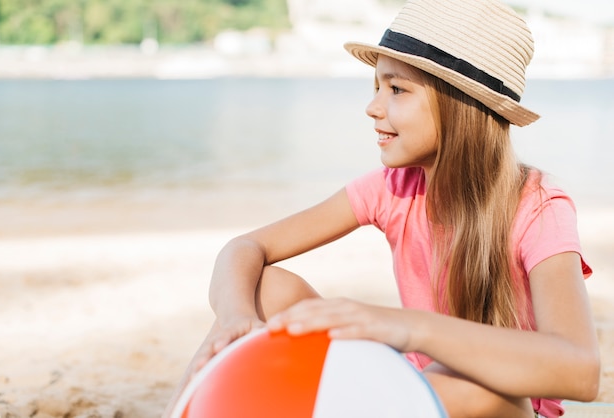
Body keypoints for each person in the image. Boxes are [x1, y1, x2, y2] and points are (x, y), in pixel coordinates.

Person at [164, 0, 600, 416]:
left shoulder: (539, 209)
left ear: (461, 105)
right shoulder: (393, 189)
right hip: (409, 391)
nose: (372, 107)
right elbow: (243, 248)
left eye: (396, 89)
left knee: (471, 381)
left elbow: (581, 371)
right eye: (376, 86)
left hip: (494, 406)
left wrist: (408, 327)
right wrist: (235, 319)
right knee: (266, 288)